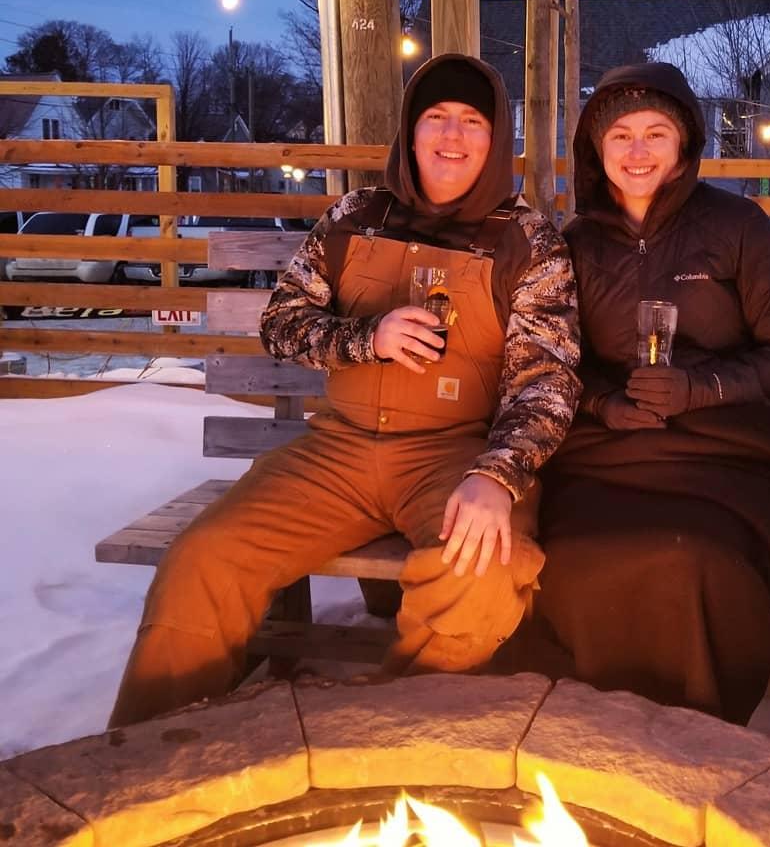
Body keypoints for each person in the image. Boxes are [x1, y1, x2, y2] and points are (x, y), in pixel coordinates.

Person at [109, 53, 581, 728]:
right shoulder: (356, 216)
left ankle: (394, 745)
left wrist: (498, 478)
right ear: (410, 134)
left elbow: (549, 383)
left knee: (478, 575)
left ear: (496, 139)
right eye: (436, 119)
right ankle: (145, 760)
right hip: (338, 454)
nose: (452, 136)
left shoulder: (529, 242)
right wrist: (366, 337)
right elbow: (280, 325)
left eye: (472, 122)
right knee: (204, 560)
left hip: (455, 459)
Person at [515, 62, 770, 726]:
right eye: (620, 137)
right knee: (576, 556)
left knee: (697, 558)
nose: (637, 152)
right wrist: (608, 404)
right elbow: (556, 362)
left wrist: (699, 388)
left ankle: (697, 732)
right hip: (615, 453)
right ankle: (597, 728)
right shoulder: (574, 244)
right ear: (596, 149)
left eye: (655, 134)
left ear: (685, 144)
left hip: (733, 452)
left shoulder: (737, 227)